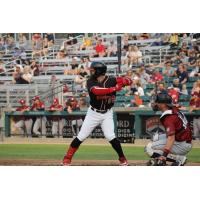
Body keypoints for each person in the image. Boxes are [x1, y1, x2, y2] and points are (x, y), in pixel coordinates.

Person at [62, 62, 132, 166]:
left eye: (93, 70)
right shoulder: (90, 81)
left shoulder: (112, 80)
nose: (91, 71)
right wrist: (114, 88)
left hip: (107, 113)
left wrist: (125, 81)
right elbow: (97, 91)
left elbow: (129, 81)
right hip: (93, 113)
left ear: (99, 71)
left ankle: (122, 158)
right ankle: (67, 158)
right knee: (81, 136)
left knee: (110, 136)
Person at [145, 93, 192, 166]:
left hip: (181, 144)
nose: (155, 103)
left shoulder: (169, 117)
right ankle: (164, 159)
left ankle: (179, 159)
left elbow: (171, 138)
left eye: (157, 102)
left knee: (148, 148)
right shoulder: (173, 109)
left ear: (163, 104)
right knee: (156, 137)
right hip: (182, 139)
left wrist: (164, 155)